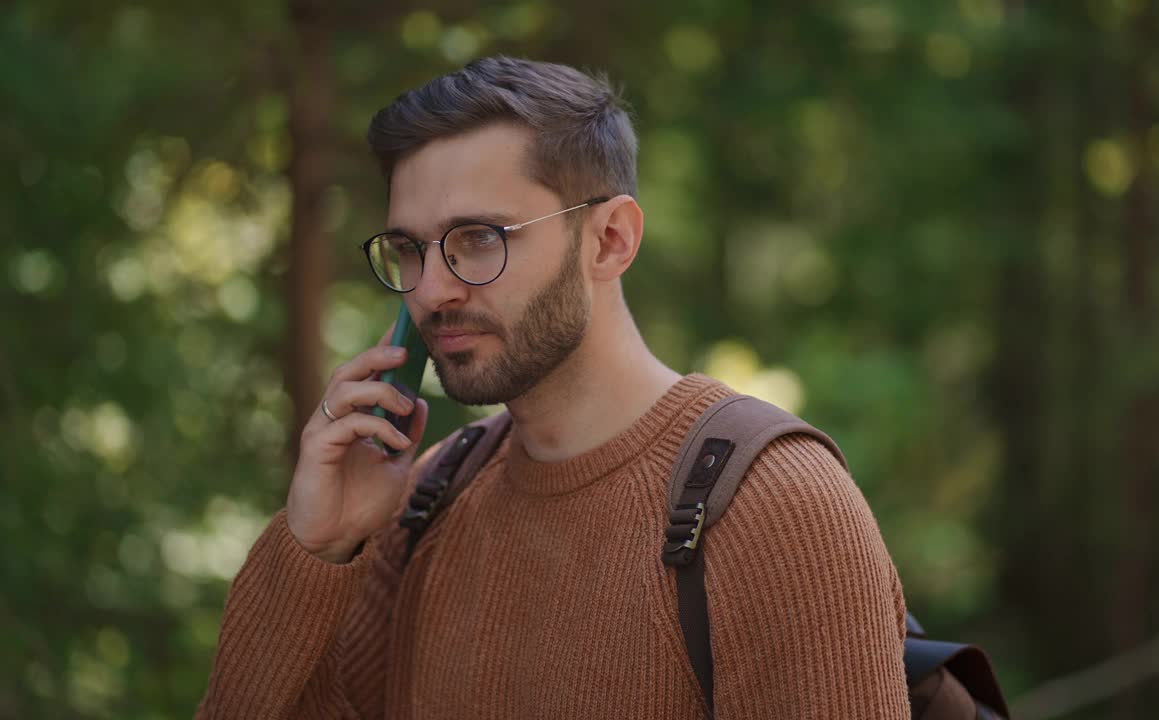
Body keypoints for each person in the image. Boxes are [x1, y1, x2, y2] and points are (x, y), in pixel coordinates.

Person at [197, 56, 910, 719]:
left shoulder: (779, 506)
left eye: (478, 237)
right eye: (409, 249)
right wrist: (321, 547)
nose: (432, 289)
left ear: (610, 241)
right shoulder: (432, 496)